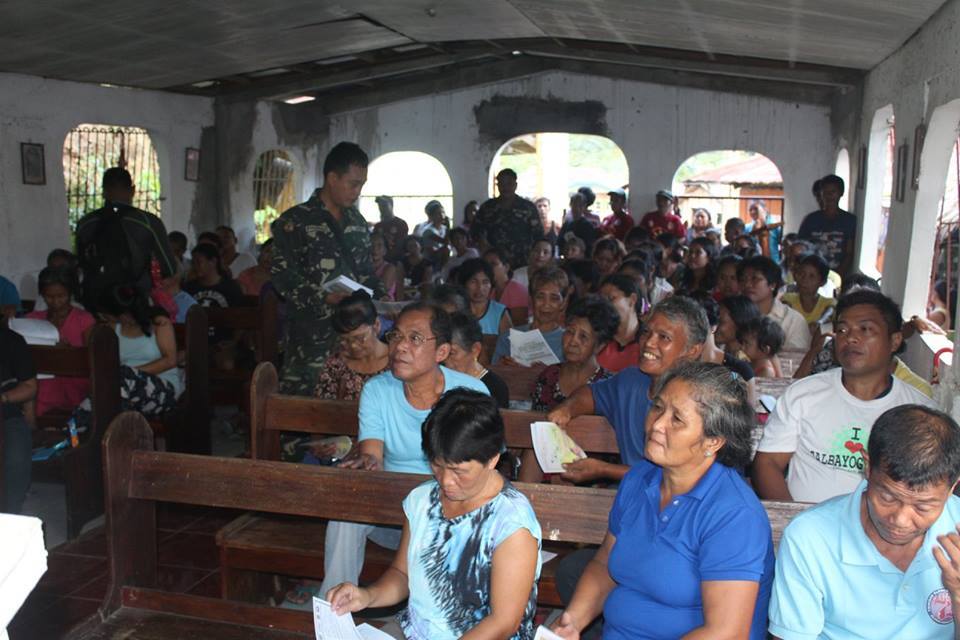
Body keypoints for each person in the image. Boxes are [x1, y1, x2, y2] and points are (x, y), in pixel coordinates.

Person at [551, 362, 774, 640]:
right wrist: (572, 622)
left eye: (677, 419)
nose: (656, 424)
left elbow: (725, 633)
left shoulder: (733, 515)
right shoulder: (641, 479)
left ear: (713, 441)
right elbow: (604, 564)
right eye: (658, 407)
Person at [326, 389, 541, 640]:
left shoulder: (511, 524)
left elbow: (504, 622)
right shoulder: (422, 500)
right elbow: (402, 573)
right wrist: (366, 596)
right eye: (436, 465)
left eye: (459, 471)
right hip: (417, 630)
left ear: (492, 459)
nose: (446, 481)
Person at [318, 303, 489, 596]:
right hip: (391, 509)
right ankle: (333, 607)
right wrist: (366, 464)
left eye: (415, 339)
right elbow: (373, 455)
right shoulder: (377, 390)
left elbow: (477, 474)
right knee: (347, 507)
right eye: (396, 336)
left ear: (442, 352)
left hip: (447, 508)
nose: (400, 346)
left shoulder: (469, 395)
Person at [769, 405, 960, 640]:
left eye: (923, 507)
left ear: (952, 488)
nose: (900, 520)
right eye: (887, 497)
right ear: (867, 467)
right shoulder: (810, 537)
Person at [753, 289, 936, 503]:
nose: (850, 338)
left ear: (894, 341)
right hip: (808, 526)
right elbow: (767, 464)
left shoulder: (918, 412)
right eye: (842, 329)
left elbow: (928, 487)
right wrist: (799, 521)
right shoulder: (803, 395)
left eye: (866, 329)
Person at [546, 296, 709, 484]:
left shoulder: (700, 401)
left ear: (693, 351)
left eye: (664, 337)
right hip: (632, 498)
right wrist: (567, 409)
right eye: (646, 332)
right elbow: (590, 395)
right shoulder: (631, 380)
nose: (648, 343)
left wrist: (604, 469)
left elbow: (676, 478)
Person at [270, 142, 380, 395]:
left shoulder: (357, 222)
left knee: (352, 407)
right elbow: (282, 276)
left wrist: (381, 298)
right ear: (332, 178)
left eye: (362, 184)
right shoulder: (295, 221)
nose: (358, 191)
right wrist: (323, 297)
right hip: (311, 338)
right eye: (353, 184)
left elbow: (367, 272)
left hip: (354, 337)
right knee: (303, 411)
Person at [75, 167, 177, 313]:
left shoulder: (86, 223)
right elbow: (168, 267)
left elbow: (80, 264)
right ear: (132, 190)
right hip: (134, 302)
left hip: (96, 302)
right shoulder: (147, 222)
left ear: (104, 191)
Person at [76, 287, 180, 428]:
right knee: (106, 392)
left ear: (122, 314)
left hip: (163, 389)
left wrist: (131, 373)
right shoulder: (113, 328)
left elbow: (170, 360)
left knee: (118, 383)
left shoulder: (159, 323)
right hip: (122, 388)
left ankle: (98, 433)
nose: (103, 317)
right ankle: (77, 431)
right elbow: (89, 337)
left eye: (106, 314)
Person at [530, 296, 618, 414]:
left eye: (583, 337)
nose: (572, 341)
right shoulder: (548, 376)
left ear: (600, 346)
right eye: (570, 332)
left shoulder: (607, 385)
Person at [25, 267, 96, 415]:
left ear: (70, 294)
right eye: (49, 297)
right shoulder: (33, 319)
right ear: (42, 296)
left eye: (61, 296)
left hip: (75, 386)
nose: (56, 302)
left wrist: (68, 353)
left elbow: (94, 359)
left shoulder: (84, 320)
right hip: (43, 386)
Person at [314, 291, 390, 400]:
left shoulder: (398, 362)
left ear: (376, 325)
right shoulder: (336, 365)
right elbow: (324, 409)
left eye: (359, 338)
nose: (353, 346)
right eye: (345, 340)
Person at [492, 266, 568, 366]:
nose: (546, 304)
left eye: (554, 298)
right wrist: (505, 367)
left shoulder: (568, 341)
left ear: (563, 303)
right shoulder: (509, 338)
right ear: (531, 299)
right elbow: (495, 375)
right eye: (540, 297)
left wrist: (548, 373)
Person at [473, 168, 543, 269]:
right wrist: (484, 246)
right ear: (497, 186)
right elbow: (476, 231)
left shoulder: (527, 207)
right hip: (495, 263)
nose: (505, 187)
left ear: (515, 185)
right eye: (502, 184)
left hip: (522, 262)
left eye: (509, 183)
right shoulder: (487, 207)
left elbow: (538, 235)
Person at [738, 255, 810, 351]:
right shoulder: (733, 315)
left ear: (772, 285)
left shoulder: (792, 320)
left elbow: (795, 360)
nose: (747, 284)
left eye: (755, 279)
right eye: (743, 280)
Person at [1, 323, 37, 514]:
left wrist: (3, 398)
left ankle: (9, 514)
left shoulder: (11, 340)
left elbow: (29, 387)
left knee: (16, 456)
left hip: (6, 411)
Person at [798, 174, 857, 278]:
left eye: (833, 192)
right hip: (812, 275)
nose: (829, 196)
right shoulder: (811, 220)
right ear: (820, 194)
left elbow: (849, 252)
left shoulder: (849, 220)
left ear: (841, 193)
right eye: (825, 192)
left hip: (838, 274)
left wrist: (838, 275)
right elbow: (801, 248)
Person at [445, 312, 509, 408]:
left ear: (475, 350)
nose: (445, 360)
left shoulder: (494, 388)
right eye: (441, 352)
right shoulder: (440, 379)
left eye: (452, 353)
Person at [595, 274, 643, 373]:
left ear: (632, 300)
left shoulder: (647, 340)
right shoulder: (598, 336)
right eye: (602, 300)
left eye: (611, 298)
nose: (605, 305)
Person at [781, 252, 836, 330]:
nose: (804, 280)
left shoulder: (829, 303)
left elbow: (829, 314)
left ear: (822, 282)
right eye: (801, 274)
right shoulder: (788, 299)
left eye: (811, 276)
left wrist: (819, 323)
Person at [457, 258, 511, 338]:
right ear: (464, 284)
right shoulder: (456, 310)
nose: (480, 288)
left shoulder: (499, 312)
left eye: (485, 282)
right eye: (473, 282)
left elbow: (509, 345)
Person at [484, 247, 529, 318]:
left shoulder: (517, 290)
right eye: (486, 265)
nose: (488, 268)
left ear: (506, 267)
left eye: (493, 264)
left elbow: (520, 324)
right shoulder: (491, 292)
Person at [559, 192, 598, 257]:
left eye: (580, 205)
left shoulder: (588, 226)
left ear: (584, 207)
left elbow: (590, 247)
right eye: (574, 205)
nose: (576, 208)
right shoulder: (567, 224)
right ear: (570, 205)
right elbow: (560, 242)